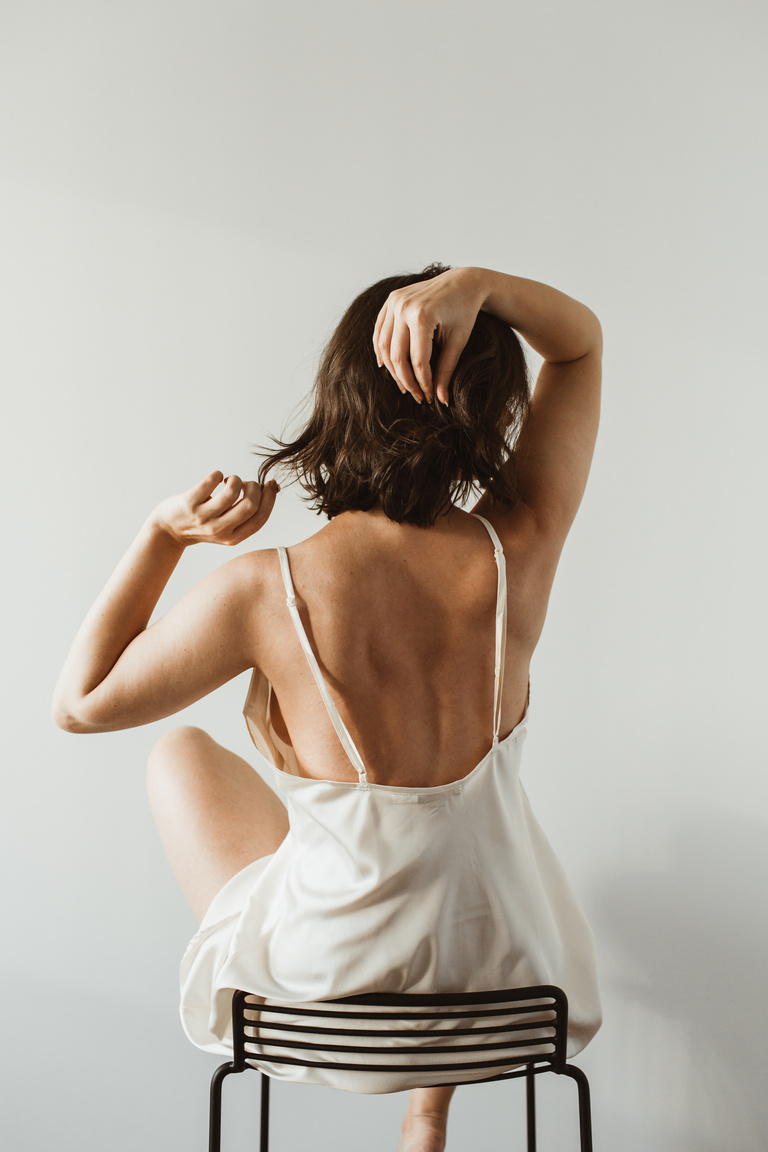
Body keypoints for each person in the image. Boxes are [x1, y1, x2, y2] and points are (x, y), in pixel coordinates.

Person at [52, 264, 603, 1152]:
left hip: (327, 996)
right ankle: (427, 1116)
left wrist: (162, 536)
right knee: (449, 863)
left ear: (344, 392)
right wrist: (479, 286)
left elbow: (78, 704)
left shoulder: (266, 591)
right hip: (505, 988)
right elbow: (580, 345)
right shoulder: (520, 548)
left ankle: (408, 1077)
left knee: (179, 756)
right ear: (491, 410)